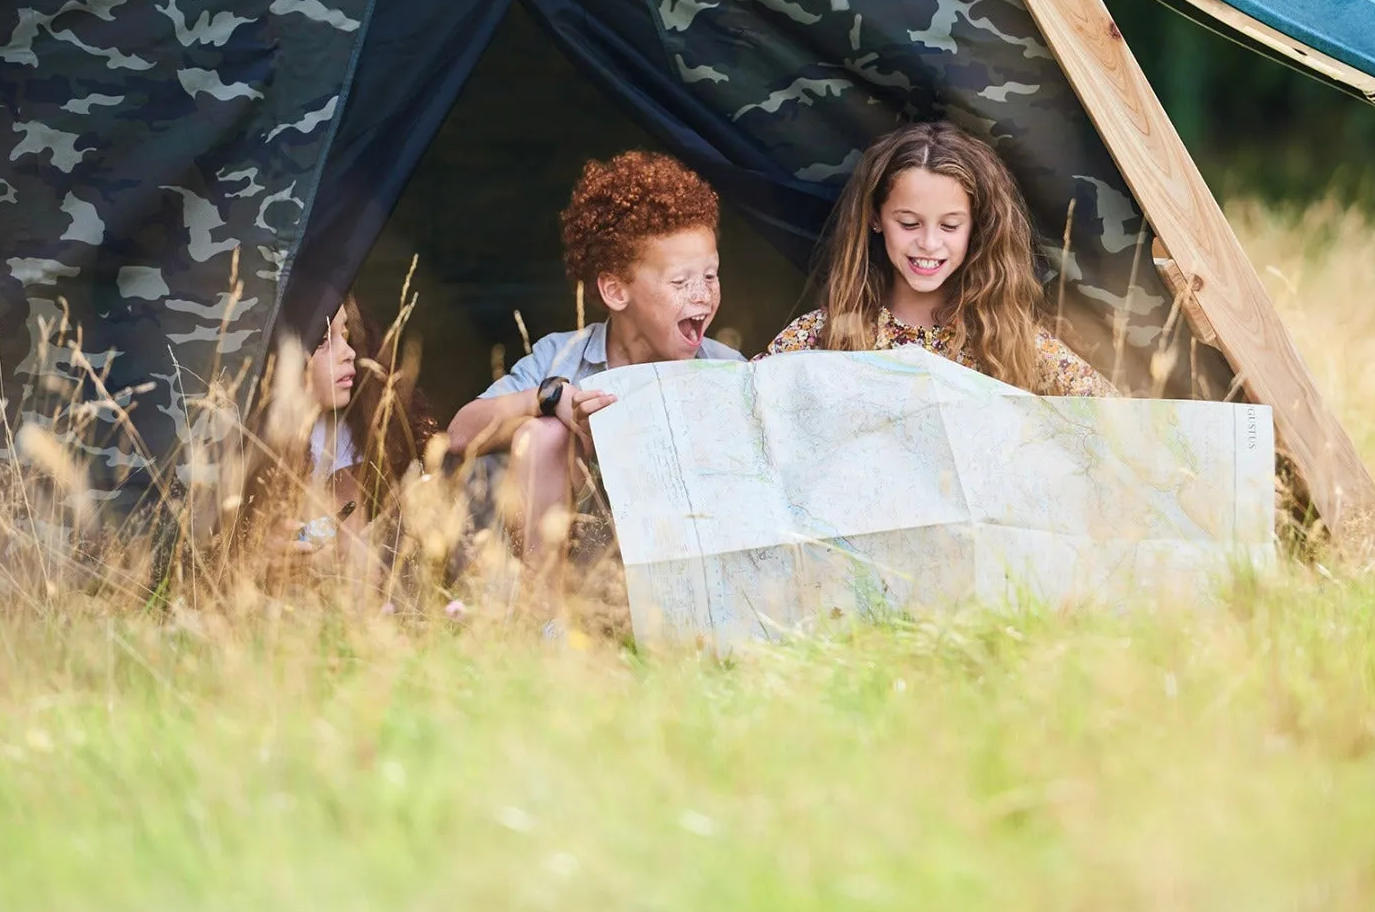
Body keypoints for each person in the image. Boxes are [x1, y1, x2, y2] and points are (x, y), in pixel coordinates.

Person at [446, 151, 742, 605]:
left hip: (680, 580)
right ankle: (542, 621)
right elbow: (461, 433)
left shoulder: (725, 370)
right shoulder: (562, 357)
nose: (703, 295)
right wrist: (551, 400)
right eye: (680, 283)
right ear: (616, 290)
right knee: (542, 434)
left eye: (711, 275)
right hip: (576, 571)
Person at [763, 121, 1111, 396]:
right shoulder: (822, 337)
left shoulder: (1015, 343)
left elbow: (1120, 426)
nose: (929, 243)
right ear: (874, 217)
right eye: (909, 223)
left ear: (977, 227)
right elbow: (733, 409)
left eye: (949, 225)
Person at [236, 294, 437, 600]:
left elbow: (351, 544)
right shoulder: (240, 434)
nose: (348, 353)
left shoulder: (343, 432)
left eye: (344, 336)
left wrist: (314, 560)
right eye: (323, 341)